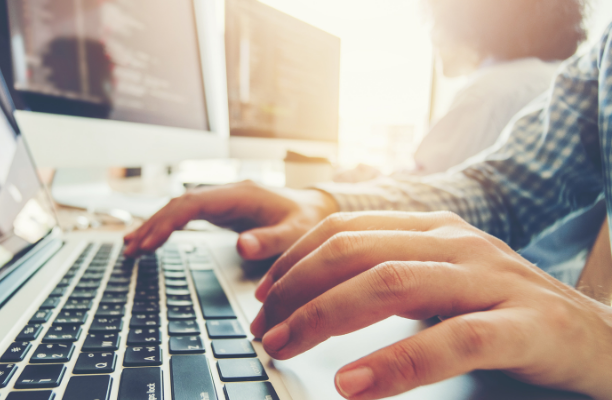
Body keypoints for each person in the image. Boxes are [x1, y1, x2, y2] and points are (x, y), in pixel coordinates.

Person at [124, 18, 612, 400]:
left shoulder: (491, 88)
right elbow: (503, 189)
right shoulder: (596, 64)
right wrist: (325, 202)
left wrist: (601, 333)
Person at [337, 0, 586, 181]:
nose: (433, 35)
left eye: (440, 21)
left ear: (477, 23)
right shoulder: (558, 80)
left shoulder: (488, 92)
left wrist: (362, 186)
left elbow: (428, 195)